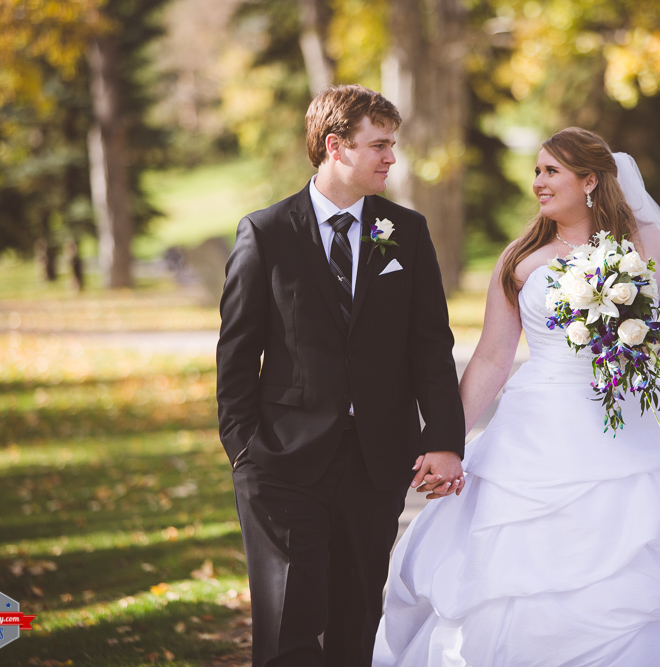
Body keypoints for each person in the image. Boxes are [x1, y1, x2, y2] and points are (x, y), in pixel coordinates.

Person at [373, 127, 660, 666]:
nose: (538, 182)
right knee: (515, 567)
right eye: (537, 170)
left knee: (626, 564)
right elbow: (493, 357)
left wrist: (635, 336)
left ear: (589, 181)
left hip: (621, 427)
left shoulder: (642, 241)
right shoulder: (520, 256)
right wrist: (447, 439)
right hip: (535, 428)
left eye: (551, 171)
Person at [216, 84, 466, 667]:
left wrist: (444, 442)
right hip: (281, 465)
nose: (391, 158)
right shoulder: (267, 233)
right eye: (378, 144)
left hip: (376, 464)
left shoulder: (406, 231)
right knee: (288, 631)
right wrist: (244, 453)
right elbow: (235, 354)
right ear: (336, 146)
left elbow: (431, 347)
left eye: (392, 144)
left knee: (356, 627)